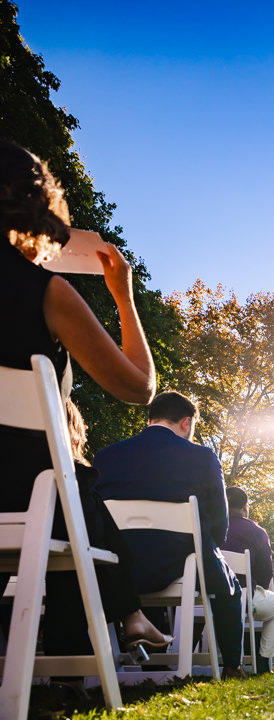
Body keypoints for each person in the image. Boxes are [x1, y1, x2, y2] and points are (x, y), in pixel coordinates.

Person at [0, 139, 170, 659]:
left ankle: (123, 622)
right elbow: (140, 389)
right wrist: (124, 297)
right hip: (25, 495)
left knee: (80, 492)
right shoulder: (44, 291)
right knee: (74, 490)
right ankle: (123, 622)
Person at [94, 391, 246, 679]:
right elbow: (219, 525)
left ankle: (152, 663)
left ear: (150, 418)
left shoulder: (106, 456)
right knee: (229, 590)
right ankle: (232, 666)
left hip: (116, 568)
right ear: (186, 423)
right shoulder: (203, 457)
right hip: (181, 562)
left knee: (141, 557)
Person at [222, 486, 274, 671]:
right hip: (241, 595)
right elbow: (266, 573)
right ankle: (264, 661)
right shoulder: (256, 531)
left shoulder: (205, 526)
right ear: (245, 507)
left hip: (201, 595)